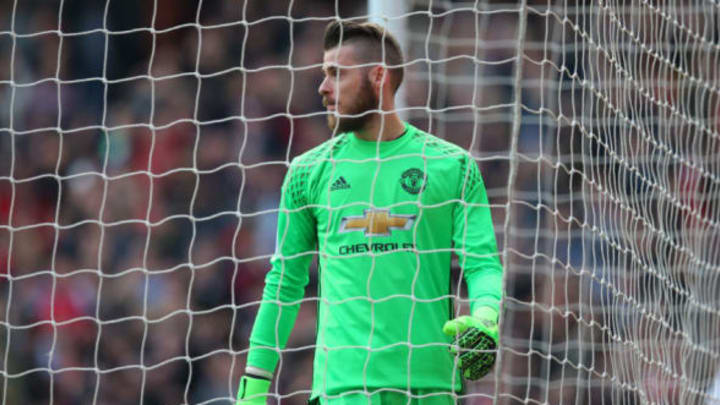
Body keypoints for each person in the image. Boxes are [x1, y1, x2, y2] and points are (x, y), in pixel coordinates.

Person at [236, 20, 504, 405]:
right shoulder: (307, 173)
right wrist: (254, 386)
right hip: (342, 391)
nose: (323, 87)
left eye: (336, 74)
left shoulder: (451, 166)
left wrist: (485, 318)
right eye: (323, 74)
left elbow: (482, 264)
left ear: (378, 76)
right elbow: (284, 283)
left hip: (427, 387)